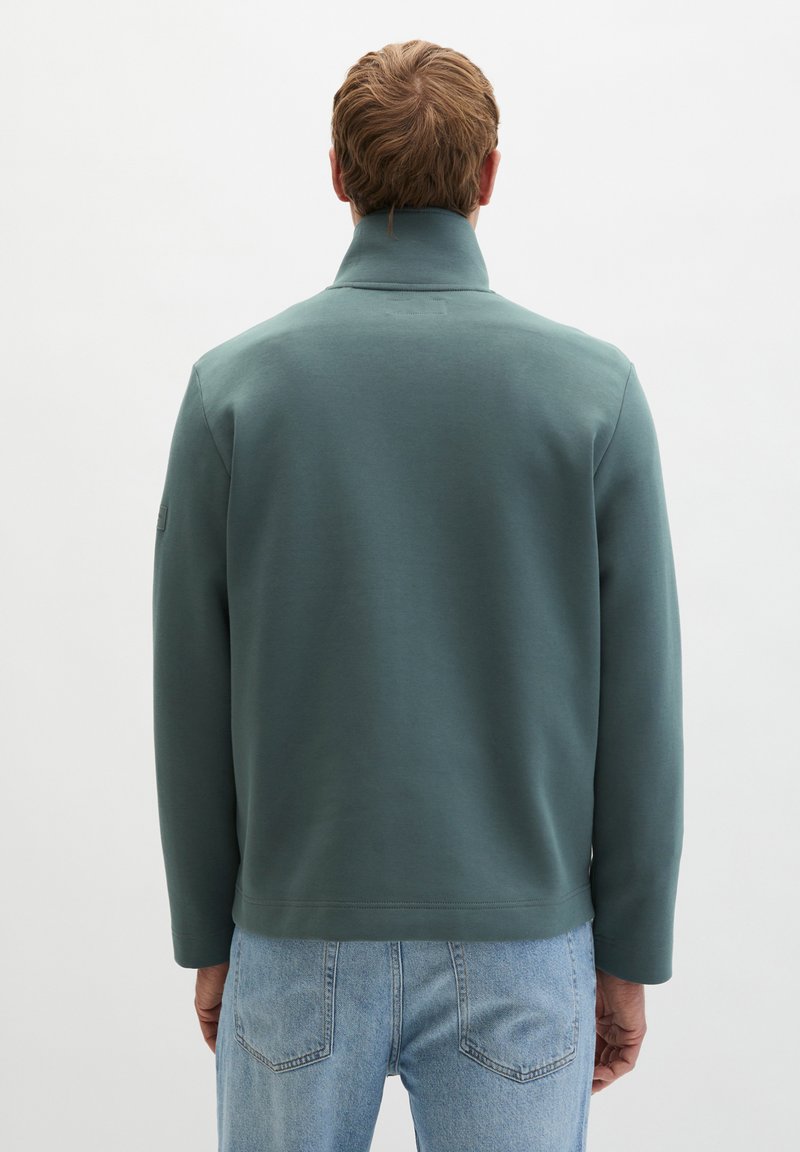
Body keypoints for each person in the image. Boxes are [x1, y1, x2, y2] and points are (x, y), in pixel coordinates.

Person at [152, 38, 684, 1152]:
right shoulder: (592, 396)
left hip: (294, 935)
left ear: (337, 174)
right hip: (522, 945)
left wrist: (209, 931)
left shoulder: (233, 394)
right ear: (488, 175)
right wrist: (630, 953)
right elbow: (641, 704)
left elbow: (189, 692)